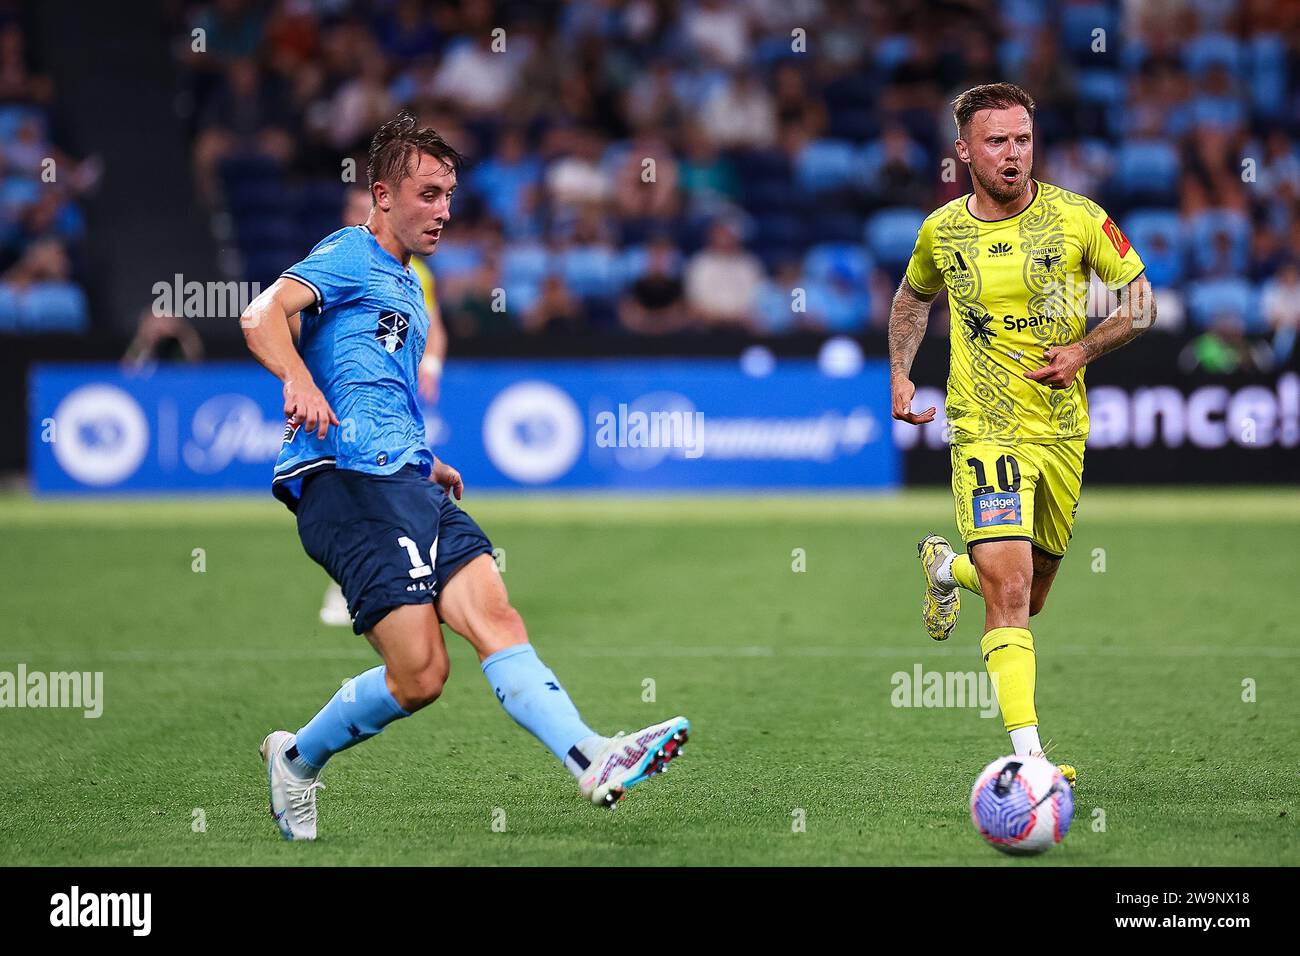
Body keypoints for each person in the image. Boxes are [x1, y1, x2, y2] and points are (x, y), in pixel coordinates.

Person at [240, 112, 689, 840]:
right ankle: (295, 757)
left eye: (450, 194)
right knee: (418, 671)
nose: (444, 210)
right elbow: (260, 314)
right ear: (381, 196)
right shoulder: (350, 252)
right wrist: (296, 378)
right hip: (347, 479)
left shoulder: (413, 287)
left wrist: (426, 458)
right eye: (428, 193)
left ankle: (593, 754)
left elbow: (377, 384)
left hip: (409, 477)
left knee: (488, 625)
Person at [888, 84, 1157, 784]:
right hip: (985, 430)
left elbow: (1142, 302)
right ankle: (1029, 760)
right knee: (1009, 592)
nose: (1013, 154)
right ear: (964, 152)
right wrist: (901, 373)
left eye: (1023, 140)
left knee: (1029, 596)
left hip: (1061, 433)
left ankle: (945, 569)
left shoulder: (1078, 219)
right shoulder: (941, 231)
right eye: (997, 142)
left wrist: (1082, 351)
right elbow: (912, 297)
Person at [319, 185, 449, 627]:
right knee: (355, 489)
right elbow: (284, 313)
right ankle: (352, 584)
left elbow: (435, 325)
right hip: (343, 402)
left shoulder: (416, 273)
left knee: (395, 485)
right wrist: (301, 375)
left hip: (393, 397)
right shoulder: (340, 258)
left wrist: (429, 364)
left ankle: (405, 580)